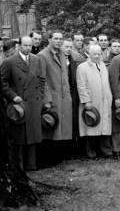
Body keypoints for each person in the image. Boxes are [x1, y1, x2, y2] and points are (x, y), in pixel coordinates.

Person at [1, 36, 47, 171]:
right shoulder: (10, 62)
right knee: (19, 137)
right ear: (19, 46)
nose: (28, 48)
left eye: (30, 45)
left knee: (33, 135)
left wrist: (39, 95)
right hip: (19, 104)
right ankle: (19, 166)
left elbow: (41, 79)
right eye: (25, 45)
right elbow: (2, 83)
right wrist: (13, 96)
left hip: (34, 102)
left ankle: (32, 164)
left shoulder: (37, 60)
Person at [38, 31, 73, 157]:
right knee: (51, 126)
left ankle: (61, 154)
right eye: (56, 38)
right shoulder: (42, 56)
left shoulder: (62, 54)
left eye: (60, 39)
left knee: (63, 127)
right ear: (49, 40)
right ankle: (49, 156)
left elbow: (65, 75)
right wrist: (47, 99)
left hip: (64, 96)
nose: (58, 41)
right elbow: (42, 80)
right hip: (52, 97)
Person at [76, 45, 113, 159]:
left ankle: (106, 151)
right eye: (94, 54)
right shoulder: (82, 67)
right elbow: (81, 86)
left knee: (104, 128)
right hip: (91, 103)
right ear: (89, 54)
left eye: (99, 54)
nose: (97, 56)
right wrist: (86, 101)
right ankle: (91, 153)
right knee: (91, 127)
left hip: (104, 101)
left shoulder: (102, 65)